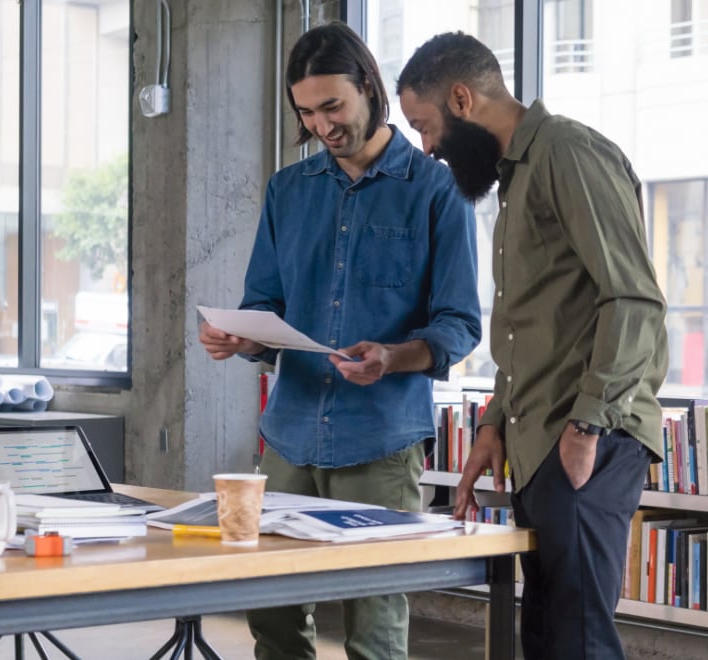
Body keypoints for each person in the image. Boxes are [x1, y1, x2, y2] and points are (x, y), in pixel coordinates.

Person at [196, 23, 480, 660]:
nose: (322, 126)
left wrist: (394, 356)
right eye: (307, 112)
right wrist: (240, 338)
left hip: (379, 442)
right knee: (270, 616)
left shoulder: (437, 191)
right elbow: (264, 306)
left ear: (369, 89)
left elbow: (461, 322)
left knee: (374, 628)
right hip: (288, 434)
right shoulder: (287, 191)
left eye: (334, 107)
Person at [397, 32, 669, 660]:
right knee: (547, 636)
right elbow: (537, 327)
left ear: (462, 98)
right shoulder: (516, 177)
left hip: (586, 439)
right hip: (546, 436)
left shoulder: (567, 152)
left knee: (577, 639)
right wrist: (493, 423)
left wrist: (585, 426)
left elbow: (633, 299)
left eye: (425, 126)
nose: (428, 148)